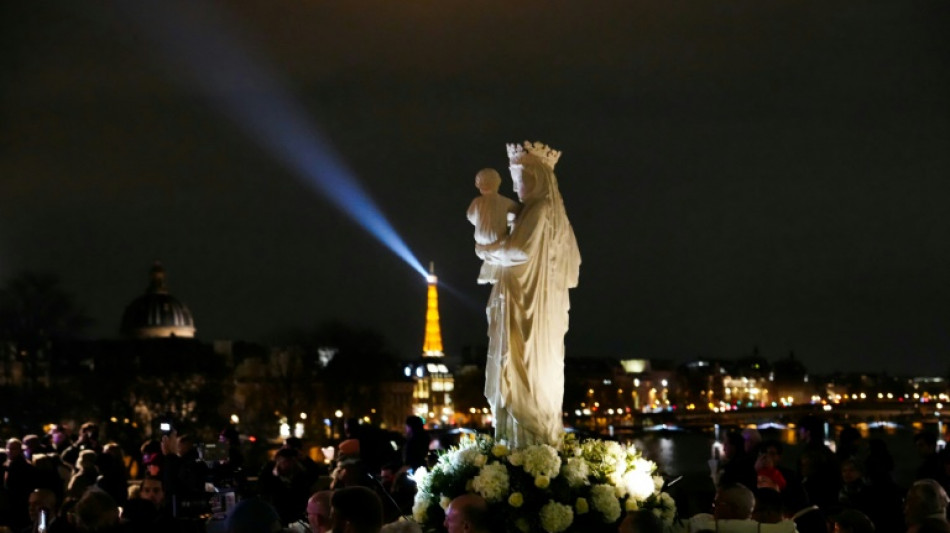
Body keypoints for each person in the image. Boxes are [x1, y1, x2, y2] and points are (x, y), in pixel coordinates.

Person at [475, 140, 581, 447]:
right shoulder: (537, 210)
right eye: (514, 179)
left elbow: (519, 251)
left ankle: (527, 444)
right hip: (527, 300)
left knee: (523, 366)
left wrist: (487, 250)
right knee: (531, 368)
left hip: (528, 304)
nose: (517, 186)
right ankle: (529, 440)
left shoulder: (540, 208)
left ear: (538, 179)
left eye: (522, 179)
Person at [467, 167, 519, 285]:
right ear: (498, 183)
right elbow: (518, 215)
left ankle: (491, 272)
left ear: (478, 185)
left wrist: (481, 222)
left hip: (480, 247)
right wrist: (505, 220)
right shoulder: (506, 202)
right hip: (498, 244)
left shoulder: (477, 202)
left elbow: (470, 216)